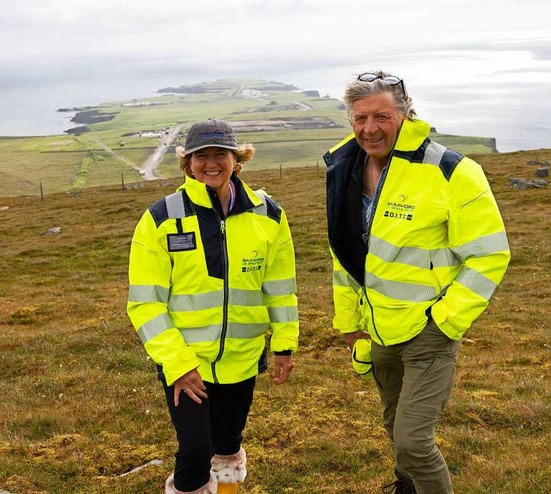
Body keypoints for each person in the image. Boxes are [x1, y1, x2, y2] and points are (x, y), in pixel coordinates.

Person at [324, 71, 511, 494]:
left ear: (406, 115)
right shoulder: (343, 168)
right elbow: (346, 255)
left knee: (412, 442)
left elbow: (490, 254)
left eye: (382, 117)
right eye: (360, 118)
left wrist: (445, 321)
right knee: (395, 429)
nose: (369, 129)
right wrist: (350, 323)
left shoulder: (451, 171)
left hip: (429, 329)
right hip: (379, 329)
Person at [127, 118, 299, 494]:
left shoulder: (268, 216)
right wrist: (177, 364)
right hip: (187, 363)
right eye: (199, 155)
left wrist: (284, 345)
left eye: (219, 154)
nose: (210, 163)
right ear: (186, 163)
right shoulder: (161, 218)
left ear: (237, 159)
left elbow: (281, 290)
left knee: (226, 447)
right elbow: (145, 304)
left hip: (243, 357)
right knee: (194, 449)